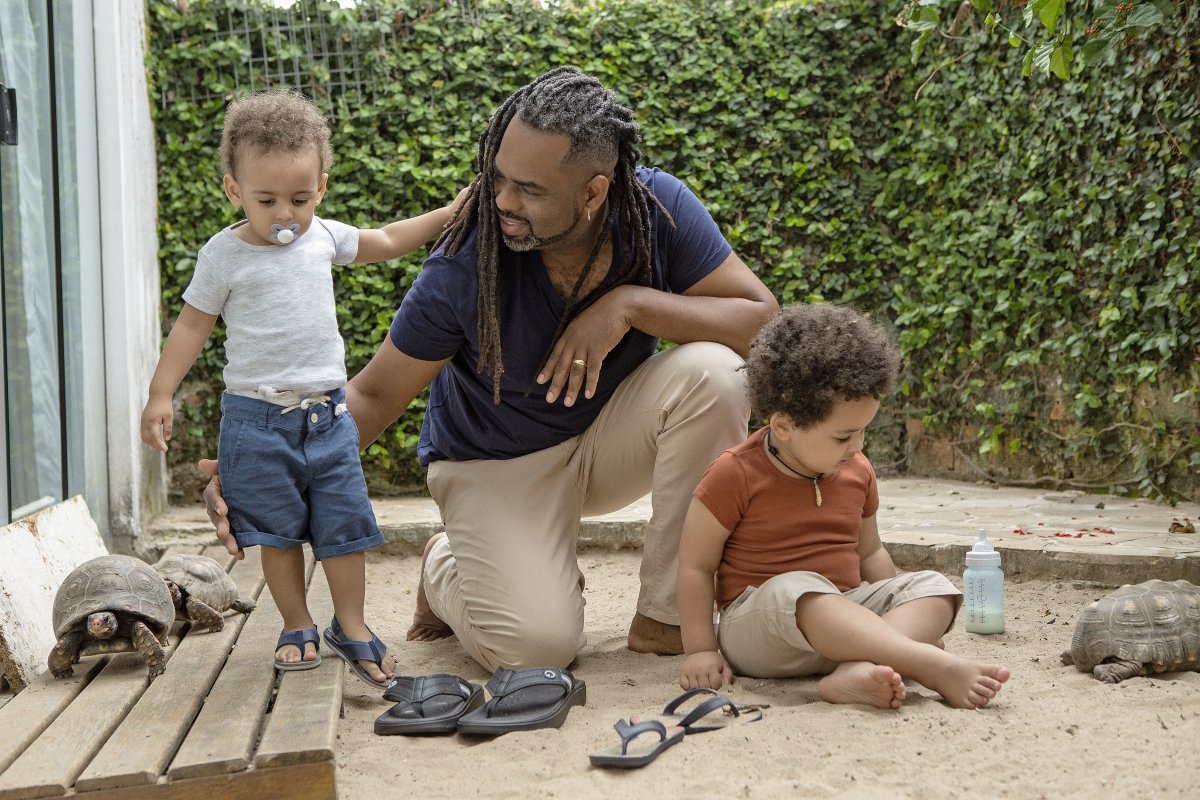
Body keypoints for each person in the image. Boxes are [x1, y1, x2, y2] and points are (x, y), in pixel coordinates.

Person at [202, 66, 778, 674]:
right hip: (494, 466)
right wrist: (263, 461)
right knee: (536, 651)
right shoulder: (466, 262)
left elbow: (761, 321)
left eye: (530, 189)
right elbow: (373, 394)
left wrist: (629, 305)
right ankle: (446, 563)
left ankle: (664, 617)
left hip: (608, 440)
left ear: (594, 193)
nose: (502, 199)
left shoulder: (656, 209)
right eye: (498, 177)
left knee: (718, 374)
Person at [143, 90, 465, 687]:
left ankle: (353, 624)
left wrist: (447, 215)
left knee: (344, 530)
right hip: (254, 420)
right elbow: (192, 325)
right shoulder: (223, 255)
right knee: (277, 533)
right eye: (266, 200)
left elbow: (388, 240)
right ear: (234, 191)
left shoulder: (324, 238)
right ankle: (296, 623)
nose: (285, 214)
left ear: (321, 187)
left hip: (328, 419)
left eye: (299, 198)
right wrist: (162, 393)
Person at [676, 304, 1011, 709]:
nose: (858, 447)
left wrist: (895, 603)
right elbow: (696, 567)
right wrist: (701, 650)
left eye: (864, 432)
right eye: (843, 437)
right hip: (765, 627)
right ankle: (922, 660)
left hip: (846, 624)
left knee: (933, 588)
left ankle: (859, 668)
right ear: (784, 426)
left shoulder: (858, 471)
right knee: (797, 587)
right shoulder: (734, 474)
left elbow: (870, 552)